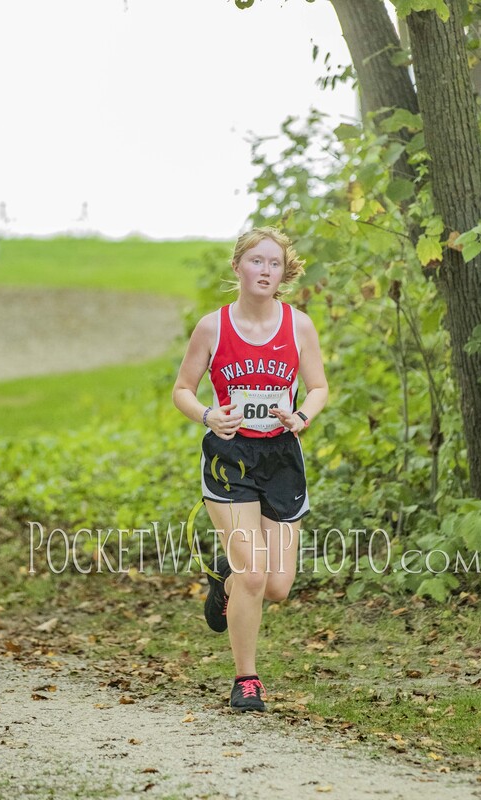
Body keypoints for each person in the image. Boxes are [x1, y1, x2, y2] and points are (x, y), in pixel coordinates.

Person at [172, 226, 328, 712]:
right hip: (230, 460)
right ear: (238, 266)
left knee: (278, 587)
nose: (265, 270)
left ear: (284, 273)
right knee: (256, 576)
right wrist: (207, 414)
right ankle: (247, 680)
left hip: (281, 458)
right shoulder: (212, 327)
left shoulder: (298, 325)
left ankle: (226, 581)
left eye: (274, 263)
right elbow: (182, 389)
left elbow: (319, 387)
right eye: (256, 261)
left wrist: (301, 416)